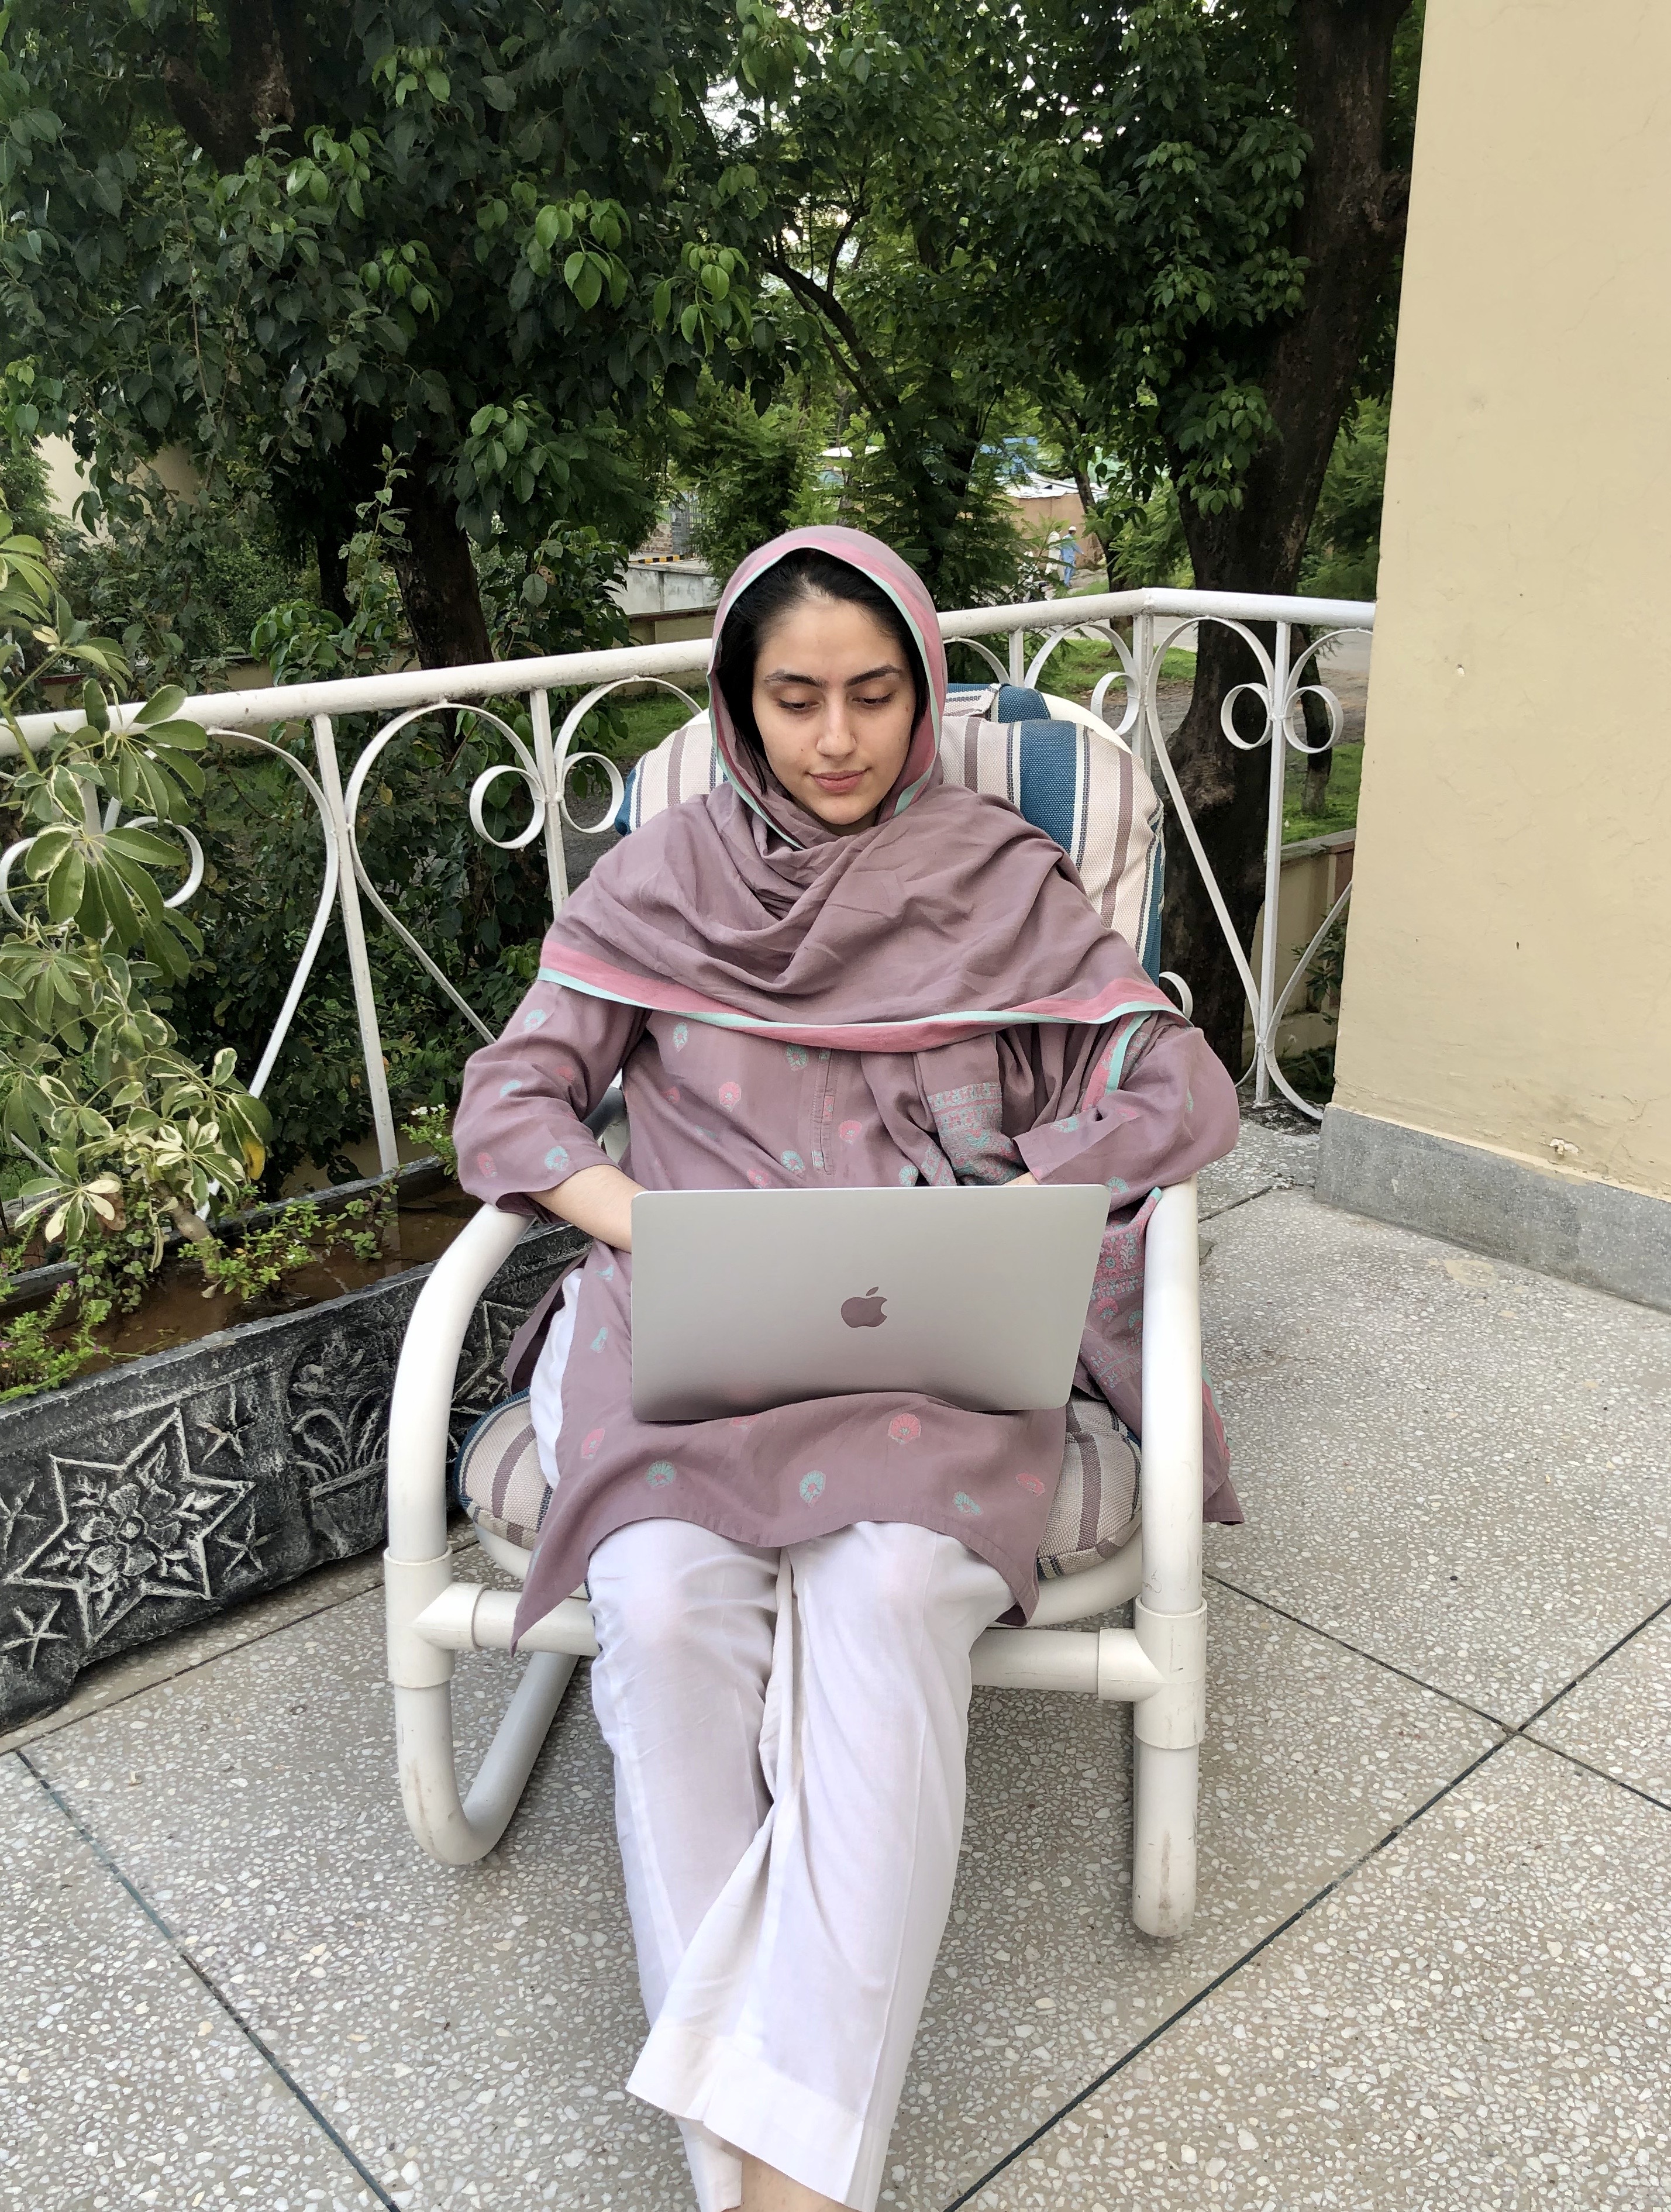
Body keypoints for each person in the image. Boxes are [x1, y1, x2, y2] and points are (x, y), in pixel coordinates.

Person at [453, 526, 1241, 2212]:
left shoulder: (999, 874)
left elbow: (1176, 1087)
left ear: (923, 692)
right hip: (691, 1339)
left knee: (885, 1605)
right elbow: (509, 1105)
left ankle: (760, 2185)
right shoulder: (653, 879)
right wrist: (642, 1224)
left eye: (875, 696)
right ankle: (778, 2181)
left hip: (923, 1350)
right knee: (660, 1615)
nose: (836, 739)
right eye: (794, 698)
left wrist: (1032, 1192)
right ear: (736, 706)